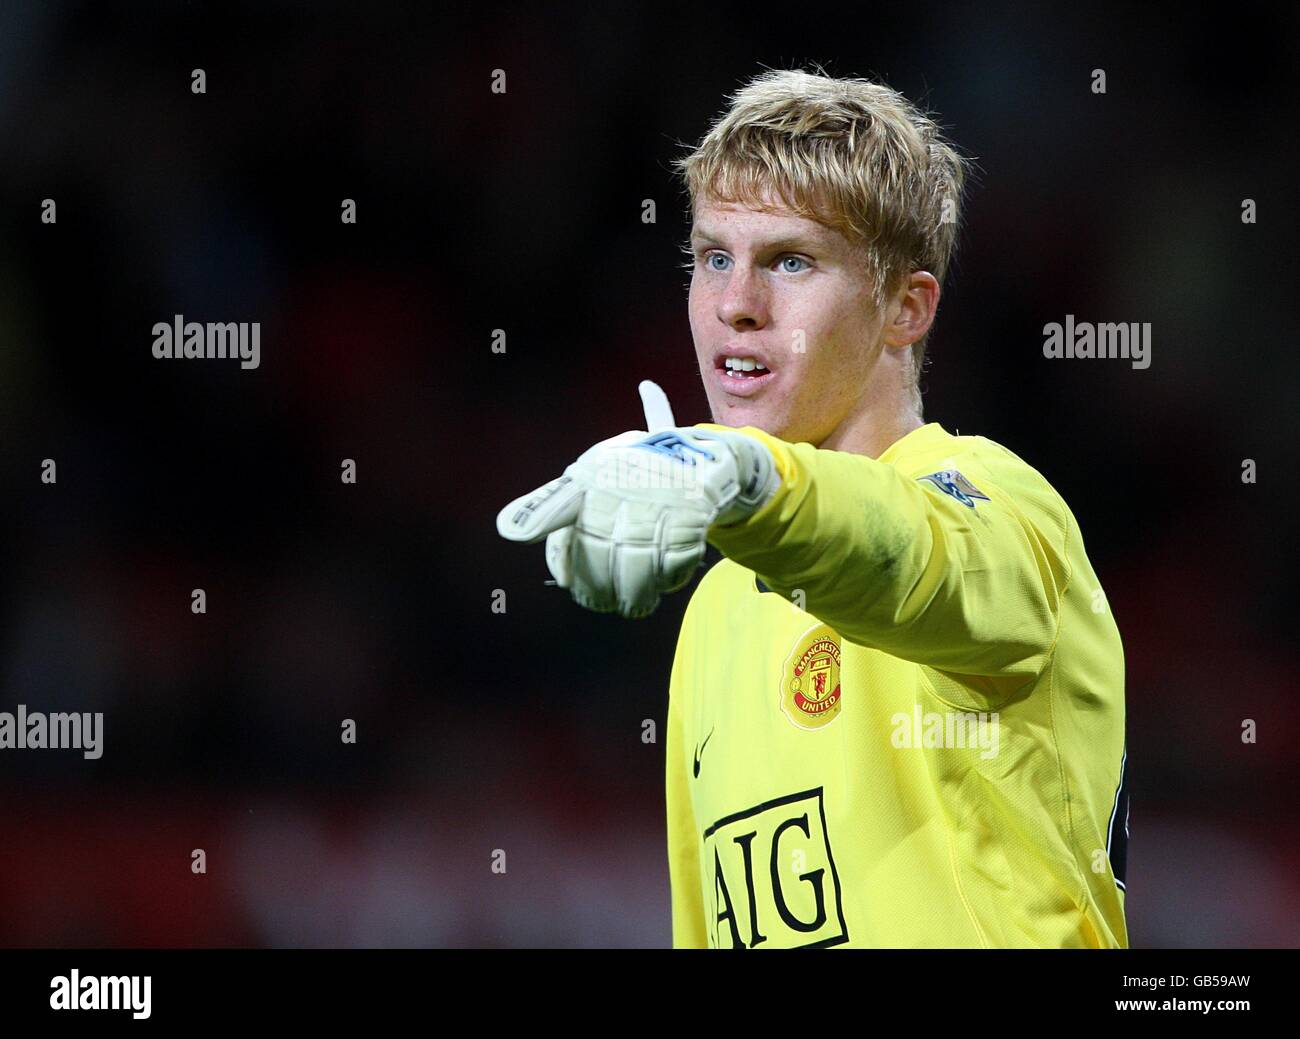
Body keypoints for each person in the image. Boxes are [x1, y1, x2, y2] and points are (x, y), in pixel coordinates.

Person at [497, 68, 1128, 948]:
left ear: (906, 307)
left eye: (790, 261)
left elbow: (910, 556)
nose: (735, 305)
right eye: (714, 257)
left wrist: (754, 478)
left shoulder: (1003, 505)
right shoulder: (715, 612)